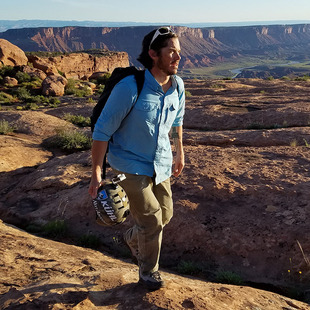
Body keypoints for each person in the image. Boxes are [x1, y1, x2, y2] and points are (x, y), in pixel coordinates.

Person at [88, 27, 185, 290]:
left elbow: (177, 120)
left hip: (161, 162)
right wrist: (97, 171)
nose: (178, 57)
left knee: (166, 214)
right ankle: (147, 273)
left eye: (179, 51)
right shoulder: (130, 87)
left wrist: (179, 152)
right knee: (152, 218)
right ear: (154, 54)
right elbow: (102, 130)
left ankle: (135, 238)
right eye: (171, 52)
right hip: (129, 164)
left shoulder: (177, 85)